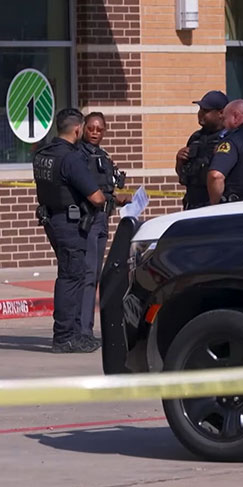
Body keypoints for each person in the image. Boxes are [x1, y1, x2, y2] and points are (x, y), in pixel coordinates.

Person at [32, 108, 106, 353]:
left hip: (51, 219)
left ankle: (72, 334)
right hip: (69, 224)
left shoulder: (43, 154)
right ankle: (64, 336)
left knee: (69, 274)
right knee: (71, 277)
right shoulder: (70, 158)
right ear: (77, 129)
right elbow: (96, 197)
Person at [79, 111, 129, 344]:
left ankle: (86, 328)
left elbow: (105, 189)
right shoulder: (78, 155)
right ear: (83, 128)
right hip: (87, 219)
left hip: (102, 218)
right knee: (87, 275)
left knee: (95, 275)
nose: (95, 133)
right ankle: (83, 331)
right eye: (91, 128)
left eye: (99, 129)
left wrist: (117, 199)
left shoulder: (103, 156)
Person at [176, 90, 228, 210]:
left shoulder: (229, 139)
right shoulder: (196, 138)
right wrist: (179, 161)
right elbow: (183, 177)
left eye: (206, 111)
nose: (200, 114)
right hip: (193, 205)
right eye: (200, 110)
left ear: (221, 113)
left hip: (216, 206)